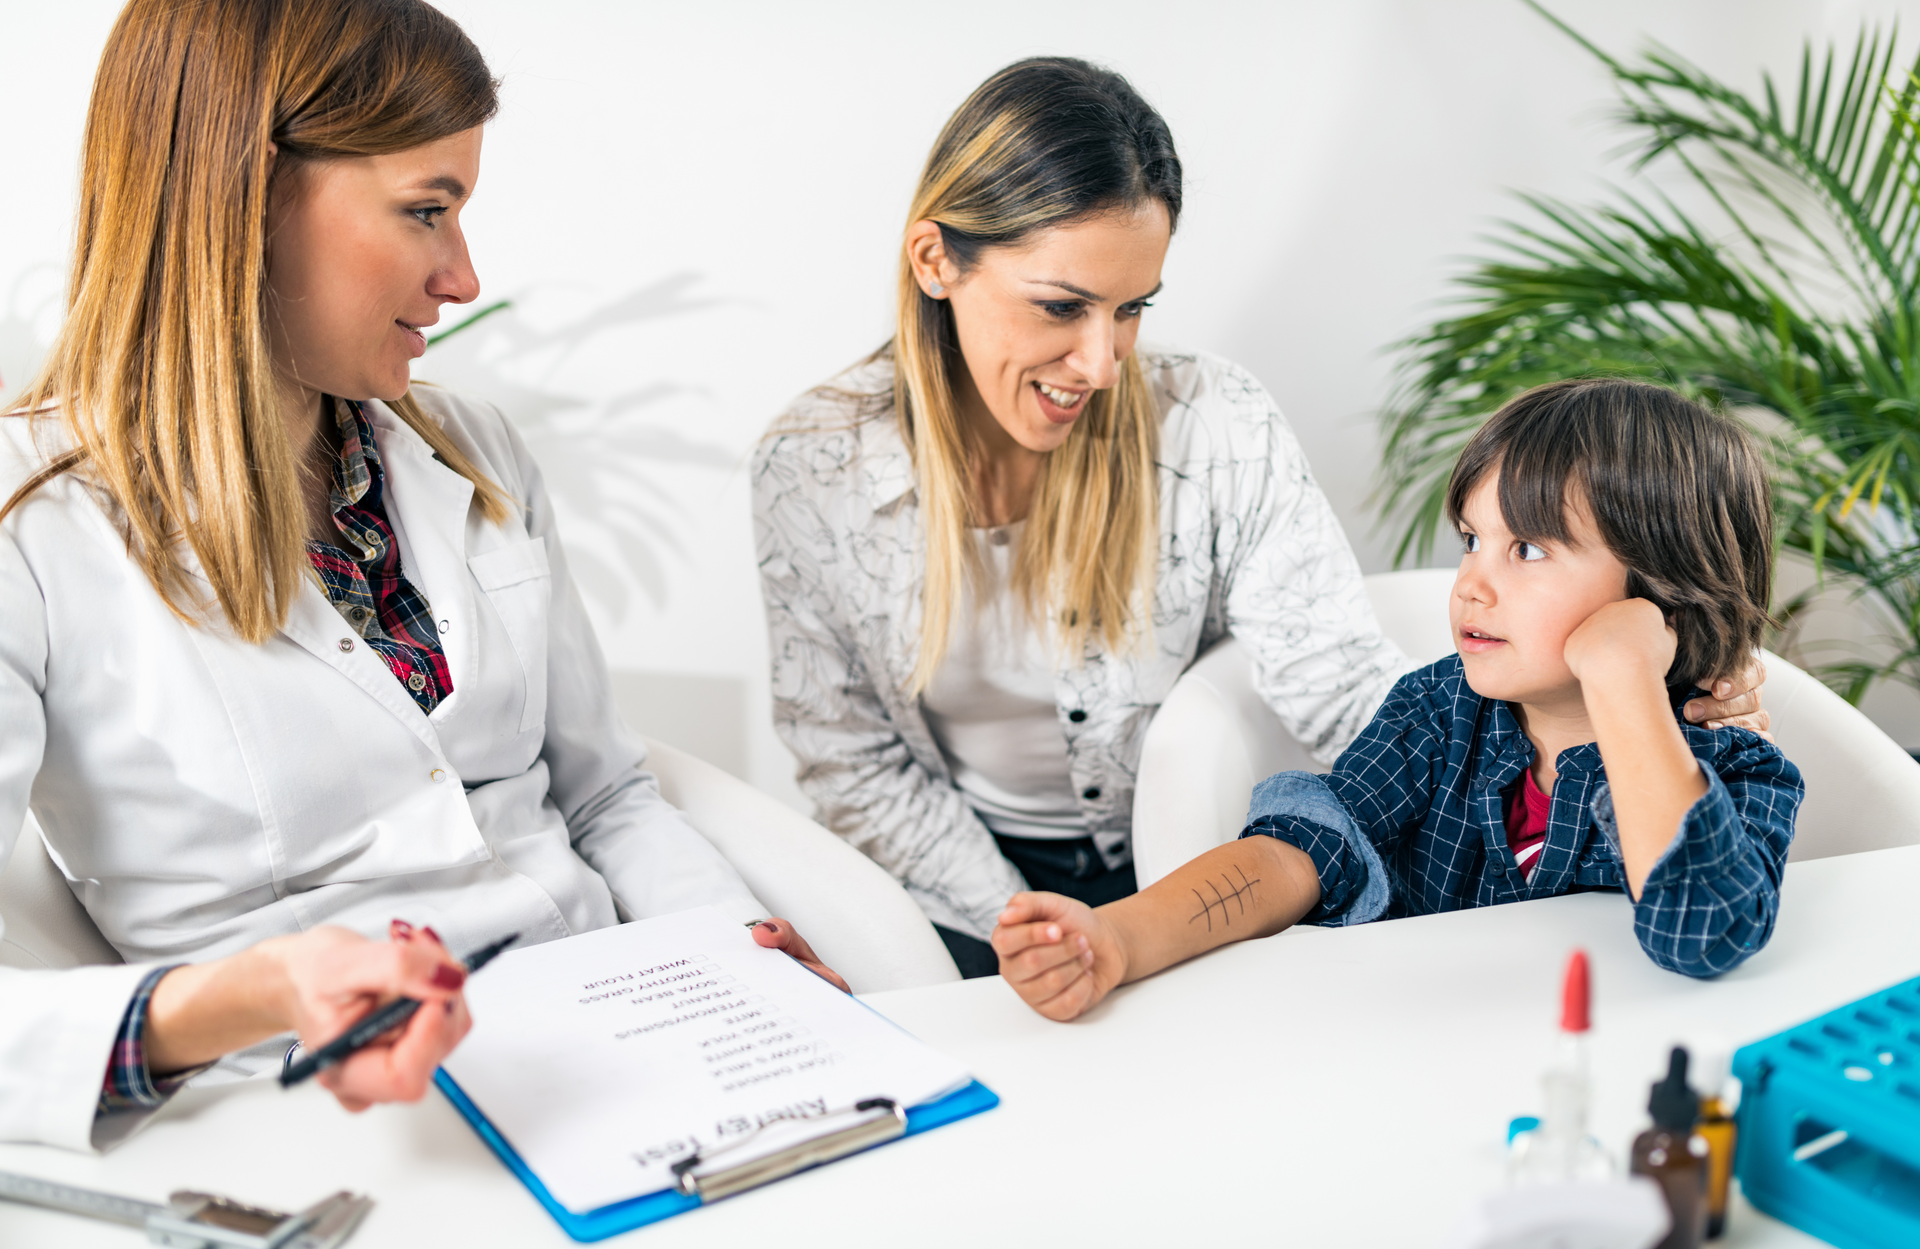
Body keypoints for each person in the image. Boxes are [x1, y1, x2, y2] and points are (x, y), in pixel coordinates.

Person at [0, 0, 838, 1153]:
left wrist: (746, 957)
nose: (462, 276)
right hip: (323, 1112)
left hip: (623, 1031)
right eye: (425, 211)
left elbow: (601, 793)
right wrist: (251, 992)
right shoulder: (31, 520)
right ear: (239, 205)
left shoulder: (470, 449)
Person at [750, 58, 1769, 979]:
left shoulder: (1216, 426)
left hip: (1179, 861)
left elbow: (1344, 699)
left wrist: (1627, 698)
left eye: (1134, 307)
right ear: (937, 261)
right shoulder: (811, 467)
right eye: (1062, 306)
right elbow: (849, 759)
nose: (1104, 364)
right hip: (952, 894)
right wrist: (1026, 928)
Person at [993, 379, 1805, 1019]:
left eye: (1526, 548)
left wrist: (1623, 681)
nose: (1472, 584)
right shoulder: (1437, 713)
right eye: (1471, 540)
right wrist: (1122, 938)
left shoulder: (1739, 768)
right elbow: (1299, 852)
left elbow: (1702, 935)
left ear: (1659, 592)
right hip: (1418, 1061)